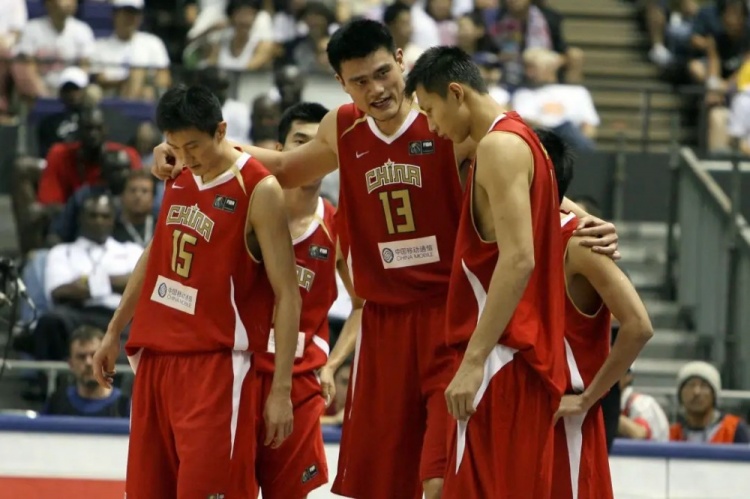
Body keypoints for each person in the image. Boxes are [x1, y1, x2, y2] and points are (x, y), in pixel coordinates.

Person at [152, 20, 619, 499]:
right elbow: (287, 169)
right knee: (381, 483)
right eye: (360, 81)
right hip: (383, 324)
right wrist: (197, 147)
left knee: (440, 477)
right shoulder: (342, 126)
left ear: (400, 60)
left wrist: (578, 218)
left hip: (447, 317)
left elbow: (522, 173)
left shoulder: (445, 120)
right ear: (342, 83)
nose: (376, 89)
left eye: (382, 73)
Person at [92, 84, 302, 499]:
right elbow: (156, 252)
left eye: (193, 146)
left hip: (215, 369)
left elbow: (288, 294)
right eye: (175, 147)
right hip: (155, 360)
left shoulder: (259, 189)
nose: (186, 158)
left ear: (221, 131)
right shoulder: (178, 172)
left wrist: (281, 389)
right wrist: (114, 329)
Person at [404, 46, 566, 498]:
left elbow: (519, 259)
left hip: (502, 359)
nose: (431, 127)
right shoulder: (524, 140)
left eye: (430, 111)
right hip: (519, 358)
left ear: (456, 93)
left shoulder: (498, 147)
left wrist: (474, 360)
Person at [539, 128, 654, 499]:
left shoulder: (580, 243)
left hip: (565, 414)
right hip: (522, 408)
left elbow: (639, 326)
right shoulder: (513, 236)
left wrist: (587, 398)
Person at [253, 102, 359, 498]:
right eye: (301, 142)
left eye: (320, 145)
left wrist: (332, 364)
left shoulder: (337, 225)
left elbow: (363, 305)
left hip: (299, 380)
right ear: (279, 151)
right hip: (239, 369)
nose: (311, 153)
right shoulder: (246, 209)